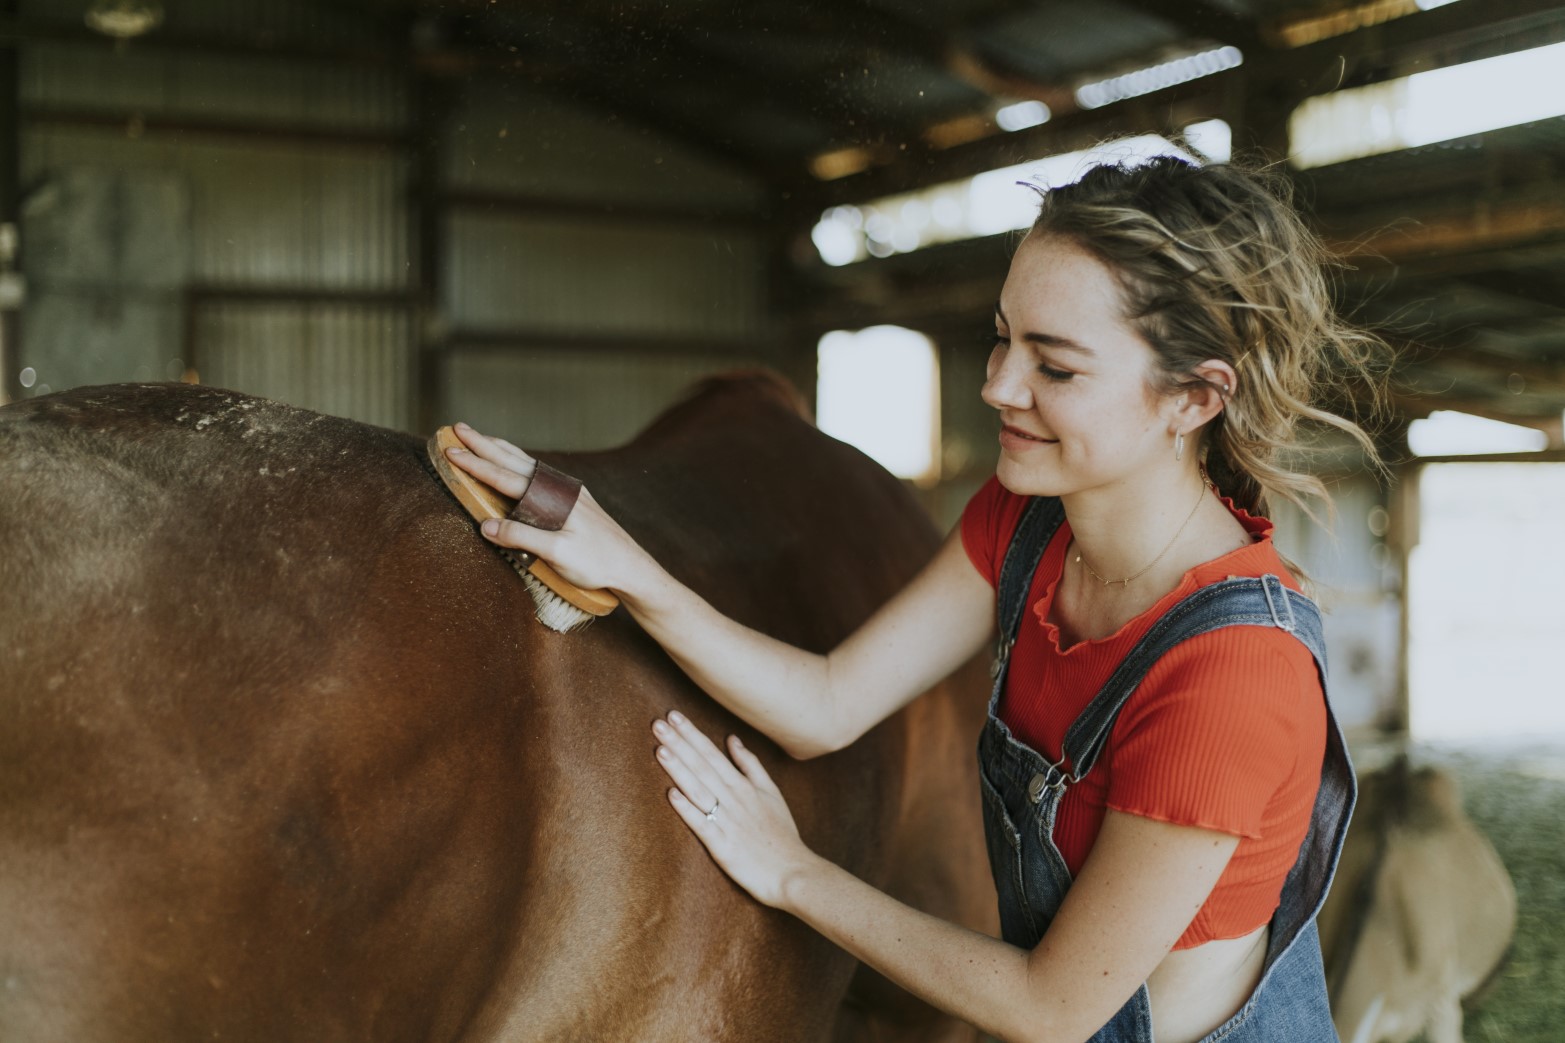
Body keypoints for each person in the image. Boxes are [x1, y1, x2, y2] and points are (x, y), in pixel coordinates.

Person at [443, 153, 1387, 1043]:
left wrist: (793, 871)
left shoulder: (1231, 673)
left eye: (1053, 367)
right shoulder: (1027, 526)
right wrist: (630, 567)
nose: (997, 385)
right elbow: (825, 703)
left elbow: (1050, 1003)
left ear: (1193, 398)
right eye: (1001, 339)